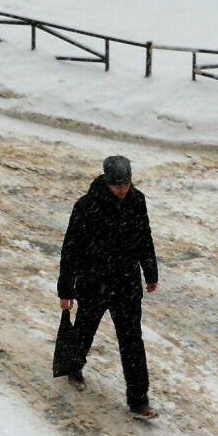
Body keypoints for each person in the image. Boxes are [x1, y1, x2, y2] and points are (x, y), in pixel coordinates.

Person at [57, 155, 160, 420]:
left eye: (126, 184)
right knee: (84, 329)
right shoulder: (86, 206)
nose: (123, 190)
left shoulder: (137, 201)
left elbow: (144, 237)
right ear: (106, 181)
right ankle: (74, 366)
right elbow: (71, 249)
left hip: (126, 284)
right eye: (117, 185)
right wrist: (66, 290)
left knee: (132, 342)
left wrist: (150, 271)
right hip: (94, 282)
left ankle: (139, 401)